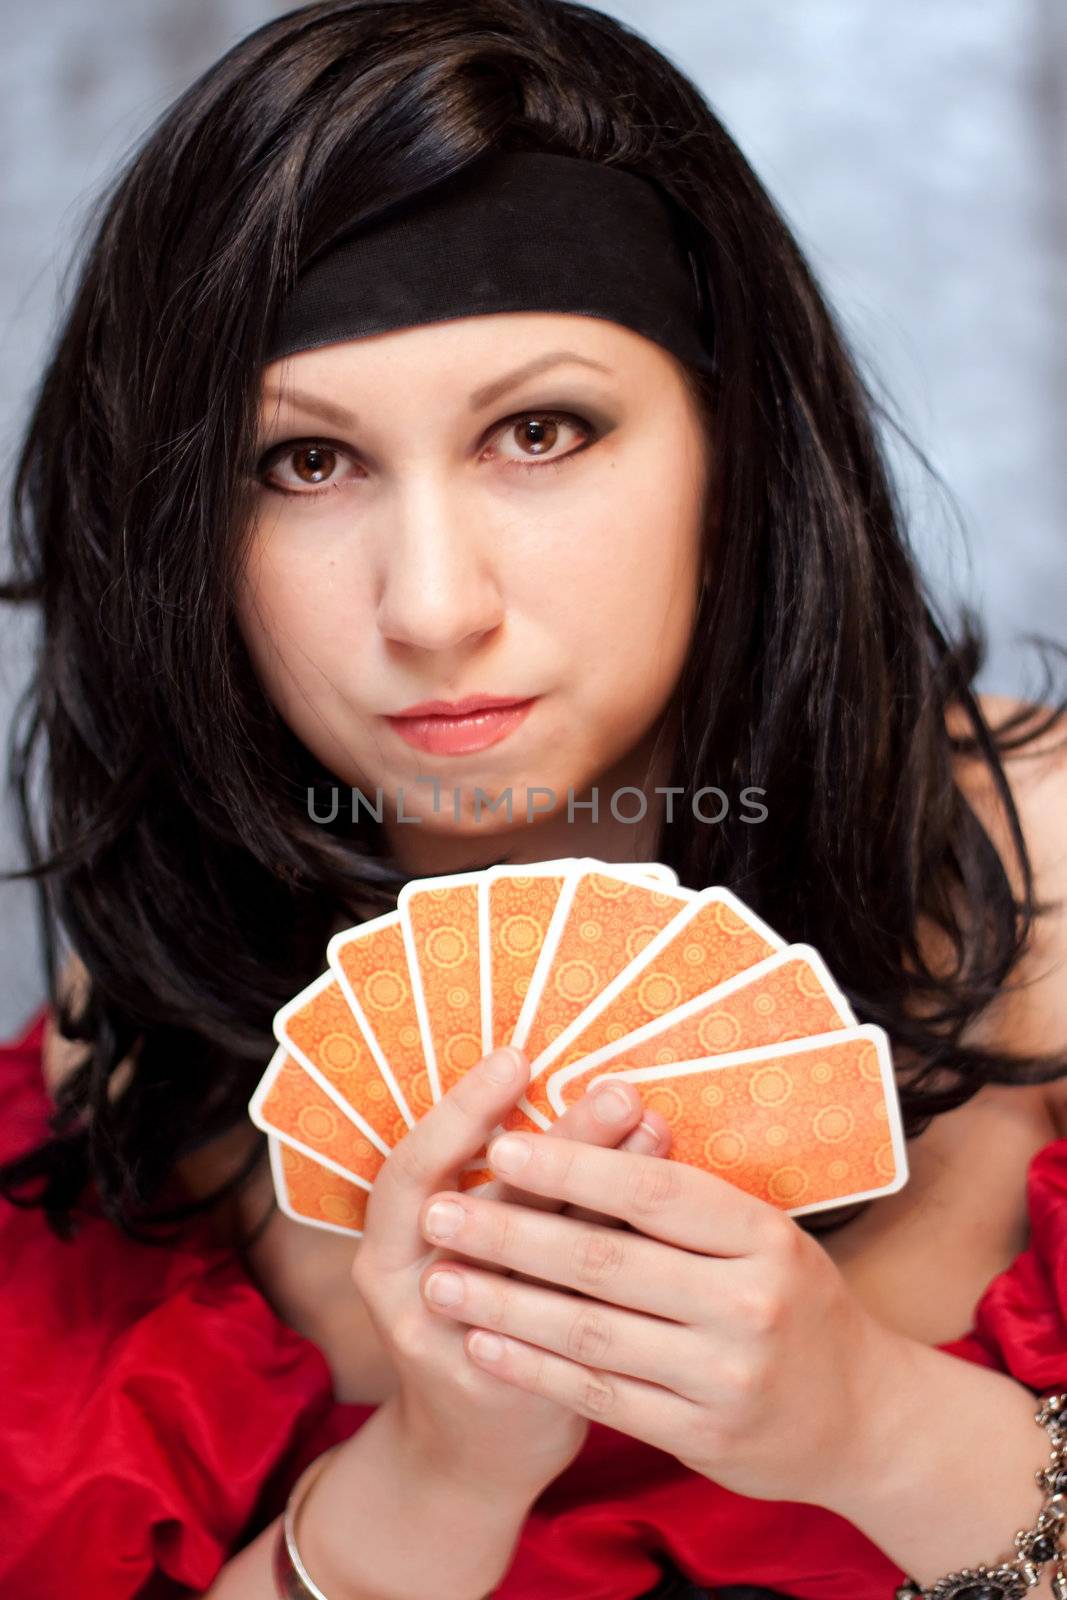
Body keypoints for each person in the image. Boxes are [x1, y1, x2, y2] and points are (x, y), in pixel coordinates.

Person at [1, 1, 1066, 1597]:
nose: (431, 607)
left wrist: (870, 1427)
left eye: (539, 431)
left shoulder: (1049, 855)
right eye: (303, 463)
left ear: (734, 449)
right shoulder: (161, 1041)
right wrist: (437, 1479)